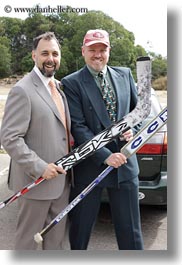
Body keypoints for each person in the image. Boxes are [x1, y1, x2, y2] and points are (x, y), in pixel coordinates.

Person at [62, 29, 144, 250]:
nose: (97, 54)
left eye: (102, 50)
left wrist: (133, 131)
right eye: (92, 50)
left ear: (109, 51)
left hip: (126, 167)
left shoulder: (125, 74)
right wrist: (106, 156)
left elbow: (139, 113)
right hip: (90, 167)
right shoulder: (71, 83)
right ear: (83, 51)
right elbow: (78, 127)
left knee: (131, 235)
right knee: (80, 232)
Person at [1, 32, 71, 250]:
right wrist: (40, 168)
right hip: (36, 184)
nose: (50, 58)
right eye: (45, 53)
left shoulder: (59, 88)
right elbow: (10, 138)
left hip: (63, 182)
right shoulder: (22, 90)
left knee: (56, 244)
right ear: (34, 56)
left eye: (55, 53)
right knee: (27, 245)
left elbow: (61, 131)